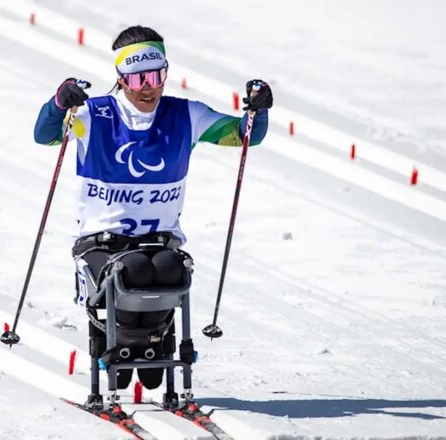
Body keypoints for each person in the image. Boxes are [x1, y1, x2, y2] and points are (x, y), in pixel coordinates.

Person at [33, 25, 272, 391]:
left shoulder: (185, 116)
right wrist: (60, 102)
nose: (149, 86)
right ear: (121, 78)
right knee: (131, 273)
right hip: (102, 245)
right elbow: (45, 135)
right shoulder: (95, 115)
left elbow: (245, 135)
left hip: (160, 243)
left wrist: (259, 110)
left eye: (157, 75)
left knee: (167, 269)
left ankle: (150, 349)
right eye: (138, 78)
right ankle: (124, 349)